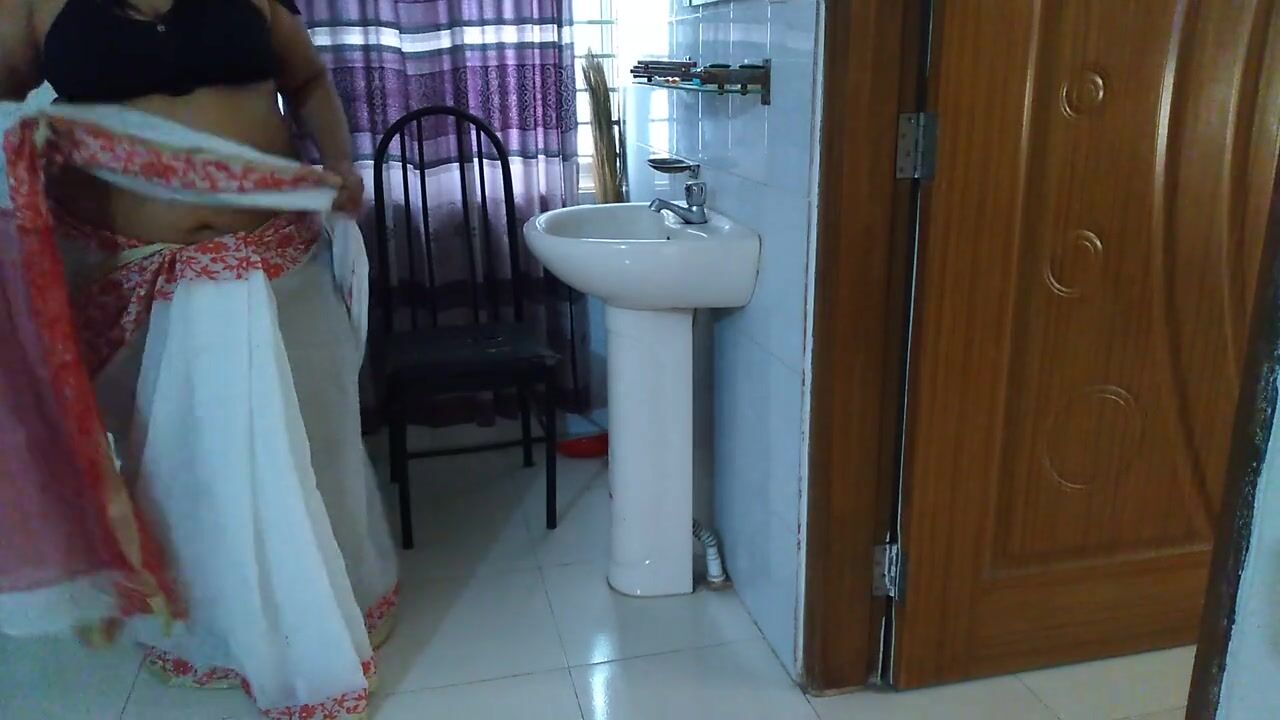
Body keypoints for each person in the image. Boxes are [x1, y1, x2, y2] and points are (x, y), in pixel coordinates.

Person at [0, 1, 398, 718]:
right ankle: (214, 639)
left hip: (279, 256)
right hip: (130, 274)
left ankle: (332, 618)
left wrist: (339, 162)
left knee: (319, 446)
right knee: (179, 464)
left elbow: (307, 78)